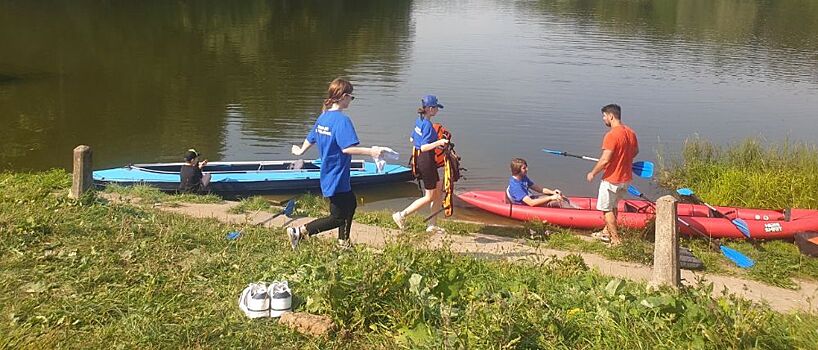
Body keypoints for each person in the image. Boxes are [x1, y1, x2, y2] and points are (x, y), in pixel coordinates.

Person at [286, 78, 384, 250]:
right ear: (344, 96)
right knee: (337, 217)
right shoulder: (342, 121)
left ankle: (343, 243)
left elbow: (311, 138)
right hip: (337, 174)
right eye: (351, 97)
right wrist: (372, 152)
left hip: (330, 173)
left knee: (350, 204)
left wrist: (301, 151)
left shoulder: (323, 118)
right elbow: (347, 149)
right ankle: (299, 232)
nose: (351, 101)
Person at [392, 95, 450, 233]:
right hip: (426, 160)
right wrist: (439, 142)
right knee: (429, 196)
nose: (437, 110)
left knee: (438, 189)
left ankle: (432, 225)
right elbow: (424, 147)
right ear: (430, 109)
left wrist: (430, 142)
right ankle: (401, 215)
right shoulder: (428, 125)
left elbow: (412, 137)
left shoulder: (419, 120)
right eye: (436, 107)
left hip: (421, 159)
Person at [586, 104, 639, 246]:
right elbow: (635, 152)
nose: (603, 119)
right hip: (625, 178)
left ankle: (616, 240)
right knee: (614, 205)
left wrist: (593, 173)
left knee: (606, 209)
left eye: (604, 116)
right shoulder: (630, 132)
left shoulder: (611, 135)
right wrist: (622, 160)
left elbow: (605, 160)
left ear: (611, 116)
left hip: (612, 179)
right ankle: (605, 233)